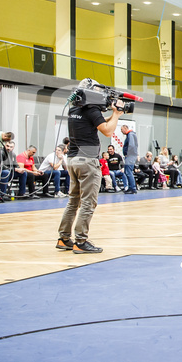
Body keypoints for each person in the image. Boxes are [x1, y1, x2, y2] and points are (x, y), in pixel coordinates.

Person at [56, 78, 124, 254]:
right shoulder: (91, 109)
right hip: (87, 161)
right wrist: (116, 115)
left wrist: (114, 115)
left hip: (73, 160)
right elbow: (107, 130)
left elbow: (99, 123)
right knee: (88, 202)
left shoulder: (75, 109)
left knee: (73, 201)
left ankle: (64, 238)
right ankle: (81, 241)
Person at [121, 124, 138, 194]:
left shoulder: (130, 135)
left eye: (121, 130)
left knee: (128, 172)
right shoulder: (131, 134)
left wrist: (128, 153)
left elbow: (131, 145)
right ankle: (131, 187)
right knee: (128, 172)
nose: (121, 131)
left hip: (130, 155)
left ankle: (132, 188)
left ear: (125, 128)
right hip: (131, 155)